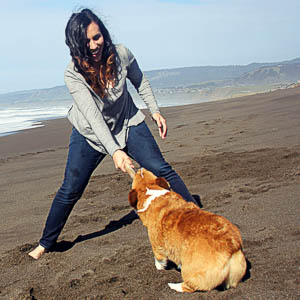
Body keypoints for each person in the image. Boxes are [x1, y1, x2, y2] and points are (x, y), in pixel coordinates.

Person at [29, 8, 196, 259]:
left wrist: (155, 111)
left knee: (160, 169)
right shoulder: (72, 74)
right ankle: (45, 243)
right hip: (91, 135)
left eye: (97, 37)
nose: (94, 45)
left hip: (127, 122)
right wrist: (115, 151)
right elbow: (94, 118)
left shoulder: (121, 54)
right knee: (71, 188)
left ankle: (194, 216)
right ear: (76, 44)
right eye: (86, 41)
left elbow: (141, 81)